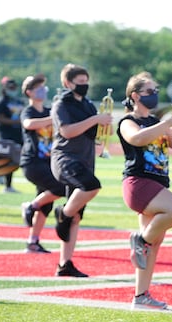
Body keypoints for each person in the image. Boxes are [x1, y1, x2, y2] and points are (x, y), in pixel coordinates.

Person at [117, 71, 172, 310]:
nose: (155, 95)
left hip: (157, 183)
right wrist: (166, 123)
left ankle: (141, 296)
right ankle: (140, 240)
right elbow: (136, 139)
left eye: (156, 91)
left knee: (154, 245)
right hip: (138, 183)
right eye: (150, 92)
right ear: (136, 96)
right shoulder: (128, 121)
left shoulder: (154, 122)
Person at [50, 63, 113, 277]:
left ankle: (64, 264)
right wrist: (96, 119)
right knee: (91, 186)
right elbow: (67, 131)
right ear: (68, 83)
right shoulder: (61, 104)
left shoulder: (87, 104)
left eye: (87, 82)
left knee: (75, 216)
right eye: (80, 82)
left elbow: (94, 133)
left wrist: (105, 125)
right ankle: (62, 212)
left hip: (85, 159)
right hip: (65, 158)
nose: (85, 86)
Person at [19, 74, 66, 254]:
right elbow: (29, 124)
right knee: (61, 188)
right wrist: (53, 118)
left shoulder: (49, 110)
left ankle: (33, 242)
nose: (42, 91)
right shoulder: (29, 111)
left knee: (46, 203)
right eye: (38, 88)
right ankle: (30, 206)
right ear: (29, 92)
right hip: (32, 162)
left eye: (43, 88)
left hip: (49, 162)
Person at [0, 76, 24, 193]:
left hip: (19, 135)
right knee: (7, 159)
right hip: (6, 135)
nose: (13, 89)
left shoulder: (19, 102)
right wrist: (17, 122)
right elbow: (0, 118)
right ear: (5, 88)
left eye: (14, 87)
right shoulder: (0, 102)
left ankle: (1, 175)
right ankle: (7, 184)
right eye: (10, 87)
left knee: (18, 159)